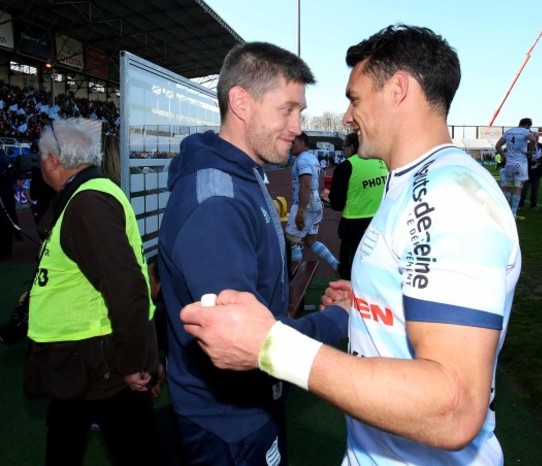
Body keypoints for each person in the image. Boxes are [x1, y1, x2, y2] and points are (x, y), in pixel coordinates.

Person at [179, 25, 521, 465]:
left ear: (398, 90)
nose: (344, 116)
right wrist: (377, 303)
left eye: (355, 98)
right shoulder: (416, 183)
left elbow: (453, 407)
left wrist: (271, 346)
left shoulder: (449, 195)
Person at [157, 42, 348, 465]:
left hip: (248, 406)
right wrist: (340, 319)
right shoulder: (217, 203)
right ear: (241, 102)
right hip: (228, 423)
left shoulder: (244, 174)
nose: (298, 126)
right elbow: (244, 341)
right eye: (288, 109)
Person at [24, 118, 164, 466]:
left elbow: (127, 288)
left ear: (53, 161)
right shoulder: (87, 196)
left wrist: (131, 364)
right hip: (89, 362)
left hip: (100, 363)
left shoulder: (87, 203)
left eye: (41, 157)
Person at [328, 131, 387, 279]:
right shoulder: (382, 162)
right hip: (380, 223)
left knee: (350, 272)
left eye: (345, 146)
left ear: (353, 146)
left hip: (353, 226)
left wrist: (328, 196)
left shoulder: (346, 166)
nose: (344, 150)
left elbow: (337, 203)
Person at [285, 132, 339, 270]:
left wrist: (301, 211)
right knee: (310, 240)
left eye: (293, 142)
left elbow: (305, 184)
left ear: (303, 142)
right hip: (316, 203)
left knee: (291, 243)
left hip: (305, 203)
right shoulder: (312, 158)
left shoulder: (302, 159)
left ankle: (292, 281)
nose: (290, 146)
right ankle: (336, 265)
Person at [495, 117, 536, 219]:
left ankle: (505, 212)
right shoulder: (525, 131)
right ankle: (513, 213)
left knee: (507, 188)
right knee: (518, 188)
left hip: (509, 164)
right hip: (521, 163)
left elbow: (497, 146)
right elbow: (533, 139)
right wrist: (530, 151)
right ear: (527, 125)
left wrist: (504, 156)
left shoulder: (508, 131)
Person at [518, 132, 542, 211]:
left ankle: (533, 205)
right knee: (524, 190)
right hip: (527, 171)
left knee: (535, 190)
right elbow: (522, 156)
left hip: (537, 171)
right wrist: (530, 159)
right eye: (535, 136)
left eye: (537, 136)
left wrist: (539, 160)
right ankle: (521, 205)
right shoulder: (526, 145)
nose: (536, 137)